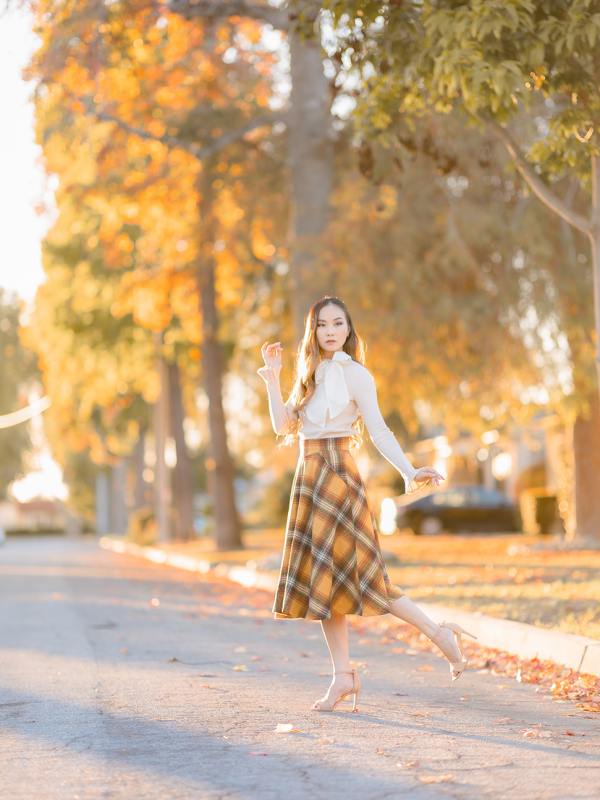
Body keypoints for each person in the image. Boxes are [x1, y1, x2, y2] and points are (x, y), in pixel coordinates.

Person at [258, 297, 476, 712]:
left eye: (338, 323)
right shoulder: (307, 373)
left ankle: (440, 634)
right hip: (309, 477)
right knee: (325, 582)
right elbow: (283, 426)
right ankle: (343, 676)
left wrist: (409, 470)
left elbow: (378, 429)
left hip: (339, 476)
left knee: (369, 578)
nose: (330, 331)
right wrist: (272, 378)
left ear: (348, 329)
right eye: (322, 324)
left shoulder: (357, 374)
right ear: (313, 331)